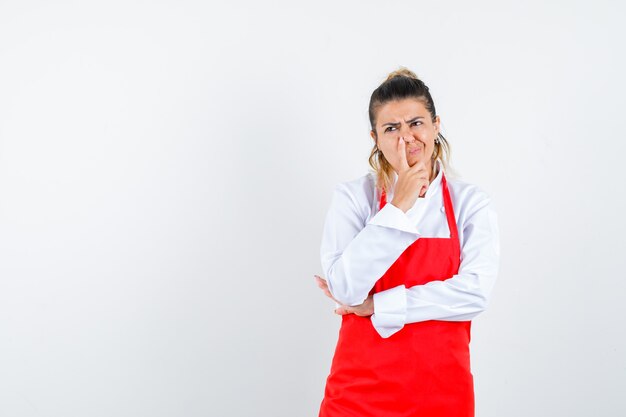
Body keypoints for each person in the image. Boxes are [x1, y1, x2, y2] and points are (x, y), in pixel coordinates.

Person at [314, 67, 500, 417]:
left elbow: (474, 293)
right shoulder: (354, 198)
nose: (406, 138)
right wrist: (399, 204)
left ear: (436, 126)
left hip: (443, 395)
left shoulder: (469, 203)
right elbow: (347, 288)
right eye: (391, 128)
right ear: (375, 137)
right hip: (357, 395)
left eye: (416, 123)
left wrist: (379, 307)